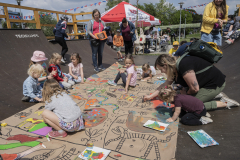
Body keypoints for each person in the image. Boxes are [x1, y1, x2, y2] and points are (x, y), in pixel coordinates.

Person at [143, 54, 240, 110]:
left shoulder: (183, 65)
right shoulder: (173, 68)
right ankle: (210, 95)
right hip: (203, 84)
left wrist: (186, 94)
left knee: (186, 105)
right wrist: (150, 96)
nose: (161, 72)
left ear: (165, 65)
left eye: (161, 69)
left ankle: (223, 103)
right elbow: (165, 84)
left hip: (214, 84)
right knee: (176, 96)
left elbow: (194, 88)